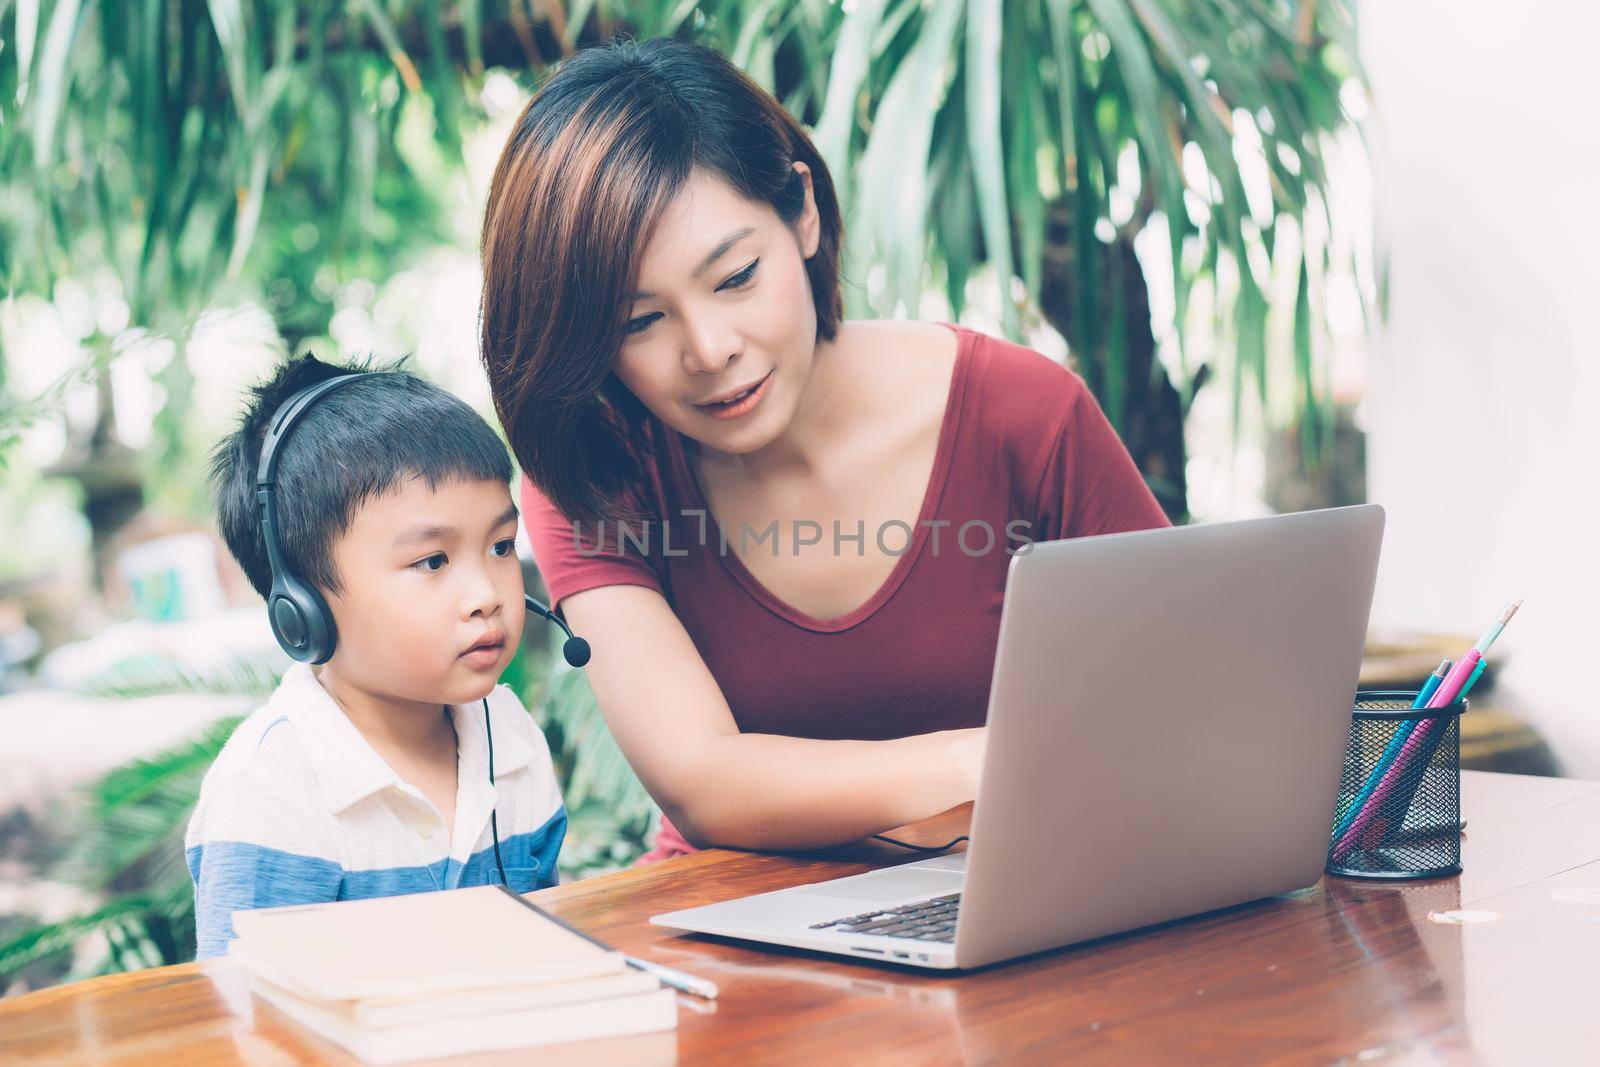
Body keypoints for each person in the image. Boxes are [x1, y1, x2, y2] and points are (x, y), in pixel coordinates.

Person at [479, 38, 1170, 860]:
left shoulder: (1023, 415)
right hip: (734, 935)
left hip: (1015, 903)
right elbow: (703, 781)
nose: (709, 349)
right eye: (638, 321)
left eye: (735, 276)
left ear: (801, 211)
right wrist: (978, 760)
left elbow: (1178, 697)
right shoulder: (593, 470)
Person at [186, 355, 566, 960]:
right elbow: (249, 1023)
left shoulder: (511, 737)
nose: (487, 595)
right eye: (433, 562)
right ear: (301, 606)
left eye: (500, 546)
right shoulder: (271, 790)